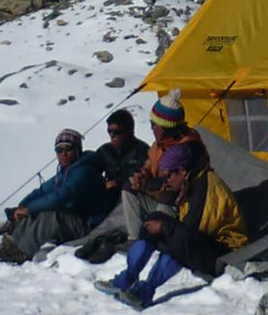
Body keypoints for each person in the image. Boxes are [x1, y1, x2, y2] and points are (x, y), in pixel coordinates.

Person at [104, 139, 248, 310]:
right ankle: (128, 277)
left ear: (182, 171)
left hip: (226, 252)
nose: (166, 181)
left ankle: (146, 291)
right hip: (203, 240)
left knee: (176, 240)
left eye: (168, 176)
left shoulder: (208, 190)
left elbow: (194, 233)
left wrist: (165, 228)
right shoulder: (194, 181)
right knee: (155, 219)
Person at [74, 89, 199, 263]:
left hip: (178, 205)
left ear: (164, 127)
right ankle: (133, 239)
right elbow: (149, 165)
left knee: (164, 197)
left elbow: (171, 185)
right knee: (129, 189)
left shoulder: (182, 150)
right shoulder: (160, 144)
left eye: (153, 125)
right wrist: (140, 176)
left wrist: (145, 185)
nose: (151, 128)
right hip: (157, 197)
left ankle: (152, 241)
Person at [0, 128, 112, 263]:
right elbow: (42, 191)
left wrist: (29, 209)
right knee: (36, 209)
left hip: (88, 224)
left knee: (50, 215)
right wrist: (21, 206)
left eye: (67, 149)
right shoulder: (67, 171)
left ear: (77, 149)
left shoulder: (84, 171)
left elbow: (60, 197)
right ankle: (11, 245)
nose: (64, 154)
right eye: (59, 150)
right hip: (75, 219)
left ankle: (22, 252)